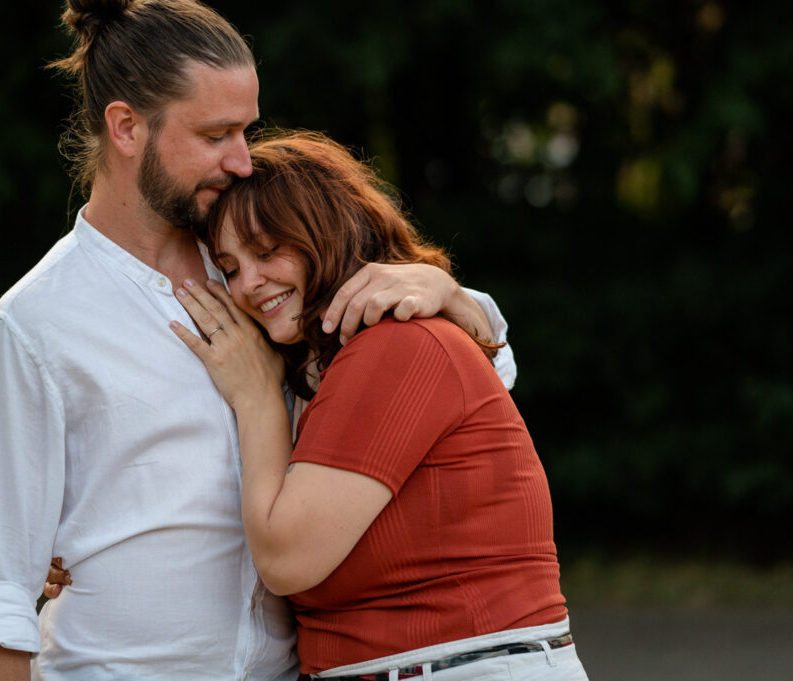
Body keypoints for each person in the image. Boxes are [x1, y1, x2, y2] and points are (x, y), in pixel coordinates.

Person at [0, 2, 515, 680]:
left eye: (247, 130)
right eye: (217, 135)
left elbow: (476, 377)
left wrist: (451, 295)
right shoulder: (35, 325)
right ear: (126, 128)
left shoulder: (264, 271)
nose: (243, 160)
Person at [168, 130, 588, 681]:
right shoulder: (321, 370)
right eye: (229, 267)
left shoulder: (396, 345)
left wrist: (256, 400)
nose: (248, 283)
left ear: (327, 232)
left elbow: (286, 559)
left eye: (268, 252)